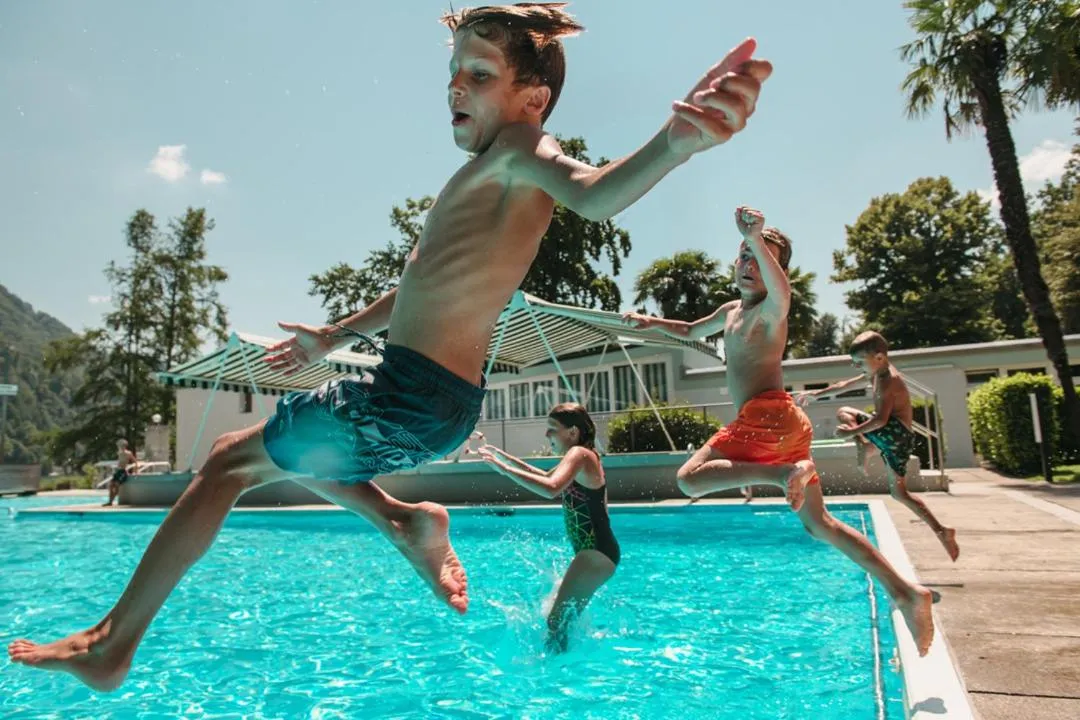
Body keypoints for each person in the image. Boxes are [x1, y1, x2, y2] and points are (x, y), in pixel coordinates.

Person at [8, 3, 773, 690]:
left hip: (409, 392)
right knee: (287, 453)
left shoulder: (523, 156)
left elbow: (597, 191)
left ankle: (111, 643)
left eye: (479, 74)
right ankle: (406, 524)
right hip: (430, 399)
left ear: (531, 99)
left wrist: (676, 143)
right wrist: (337, 333)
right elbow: (419, 284)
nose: (455, 88)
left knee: (226, 464)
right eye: (452, 74)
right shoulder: (487, 180)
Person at [621, 207, 935, 656]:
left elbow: (781, 289)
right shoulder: (731, 311)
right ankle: (907, 592)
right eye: (744, 255)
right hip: (785, 422)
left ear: (777, 271)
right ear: (734, 262)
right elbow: (691, 329)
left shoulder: (773, 309)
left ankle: (786, 472)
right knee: (820, 525)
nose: (751, 264)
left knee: (689, 478)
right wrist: (651, 324)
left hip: (765, 418)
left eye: (762, 259)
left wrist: (756, 238)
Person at [797, 332, 959, 561]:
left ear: (880, 357)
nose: (856, 366)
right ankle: (942, 531)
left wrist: (851, 433)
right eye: (854, 362)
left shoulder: (886, 380)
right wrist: (817, 393)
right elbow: (844, 385)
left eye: (860, 362)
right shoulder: (876, 372)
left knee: (845, 414)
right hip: (900, 439)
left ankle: (866, 445)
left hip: (893, 434)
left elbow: (881, 420)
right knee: (900, 493)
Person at [469, 403, 618, 652]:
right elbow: (545, 475)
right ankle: (567, 660)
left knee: (556, 621)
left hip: (596, 552)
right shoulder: (581, 455)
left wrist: (504, 470)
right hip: (597, 552)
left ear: (572, 432)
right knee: (560, 618)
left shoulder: (580, 453)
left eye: (552, 429)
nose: (547, 435)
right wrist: (502, 457)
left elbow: (550, 488)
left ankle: (556, 671)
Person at [102, 440, 138, 508]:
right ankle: (110, 501)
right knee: (111, 485)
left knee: (116, 485)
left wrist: (135, 472)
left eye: (122, 445)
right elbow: (119, 462)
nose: (121, 447)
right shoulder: (119, 453)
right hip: (118, 471)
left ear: (125, 446)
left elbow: (135, 461)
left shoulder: (128, 453)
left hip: (123, 472)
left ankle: (111, 500)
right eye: (120, 446)